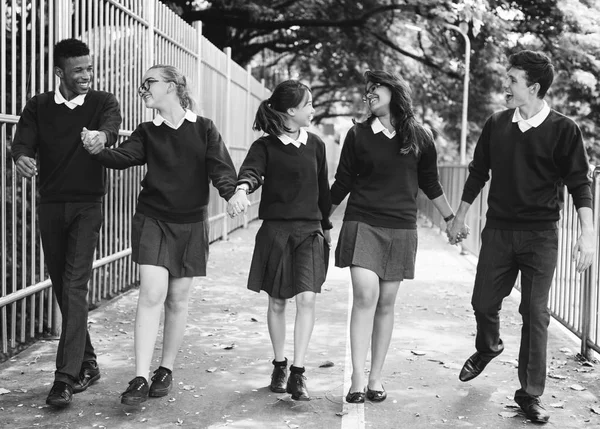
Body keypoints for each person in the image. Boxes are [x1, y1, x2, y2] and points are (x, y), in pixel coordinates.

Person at [448, 50, 595, 424]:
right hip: (498, 230)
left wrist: (587, 234)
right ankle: (489, 346)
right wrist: (459, 216)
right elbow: (479, 172)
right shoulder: (496, 124)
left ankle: (529, 394)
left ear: (534, 87)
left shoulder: (564, 130)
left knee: (535, 313)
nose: (506, 85)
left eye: (512, 80)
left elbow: (580, 183)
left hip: (541, 235)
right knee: (483, 303)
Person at [83, 65, 239, 406]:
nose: (144, 88)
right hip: (153, 219)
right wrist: (98, 148)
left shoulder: (204, 128)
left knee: (177, 300)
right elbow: (123, 156)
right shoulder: (147, 131)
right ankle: (139, 376)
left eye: (150, 82)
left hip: (190, 224)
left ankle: (164, 369)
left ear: (172, 86)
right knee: (152, 293)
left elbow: (220, 169)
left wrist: (232, 194)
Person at [330, 70, 454, 404]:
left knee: (386, 302)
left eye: (375, 89)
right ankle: (357, 377)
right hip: (363, 222)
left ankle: (375, 378)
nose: (369, 95)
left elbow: (430, 183)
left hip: (400, 227)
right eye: (366, 91)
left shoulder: (419, 137)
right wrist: (320, 218)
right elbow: (342, 181)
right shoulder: (357, 134)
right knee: (366, 294)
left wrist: (450, 218)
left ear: (394, 92)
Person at [10, 38, 122, 408]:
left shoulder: (103, 102)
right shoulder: (39, 106)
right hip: (50, 205)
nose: (87, 75)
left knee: (74, 286)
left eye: (90, 68)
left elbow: (111, 127)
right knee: (63, 286)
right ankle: (88, 362)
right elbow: (22, 143)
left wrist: (101, 137)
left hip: (88, 206)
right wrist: (22, 158)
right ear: (60, 72)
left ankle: (64, 378)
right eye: (79, 70)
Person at [231, 80, 332, 401]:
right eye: (309, 104)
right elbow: (251, 173)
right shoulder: (265, 146)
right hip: (276, 231)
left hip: (309, 232)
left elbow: (323, 192)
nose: (313, 109)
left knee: (307, 299)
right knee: (277, 302)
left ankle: (299, 374)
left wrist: (326, 230)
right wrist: (241, 190)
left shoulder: (316, 144)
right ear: (291, 111)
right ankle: (280, 364)